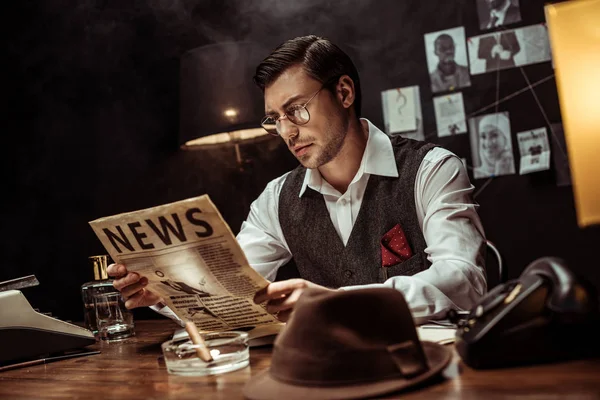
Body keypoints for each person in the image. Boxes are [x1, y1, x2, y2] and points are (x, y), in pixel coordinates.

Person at [108, 35, 487, 324]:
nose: (287, 132)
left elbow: (464, 281)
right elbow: (230, 294)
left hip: (432, 367)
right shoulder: (277, 199)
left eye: (297, 110)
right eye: (275, 118)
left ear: (343, 92)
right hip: (321, 373)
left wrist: (337, 304)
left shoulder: (431, 169)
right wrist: (165, 294)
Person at [473, 114, 515, 178]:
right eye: (483, 136)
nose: (488, 143)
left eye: (494, 135)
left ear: (506, 139)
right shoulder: (475, 174)